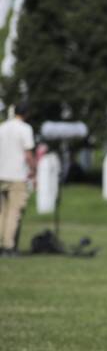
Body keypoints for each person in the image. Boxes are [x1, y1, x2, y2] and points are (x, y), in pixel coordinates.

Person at [0, 101, 36, 257]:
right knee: (14, 212)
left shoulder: (2, 127)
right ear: (27, 113)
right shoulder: (25, 129)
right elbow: (28, 154)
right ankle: (8, 246)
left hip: (1, 174)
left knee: (2, 212)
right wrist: (34, 170)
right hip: (17, 175)